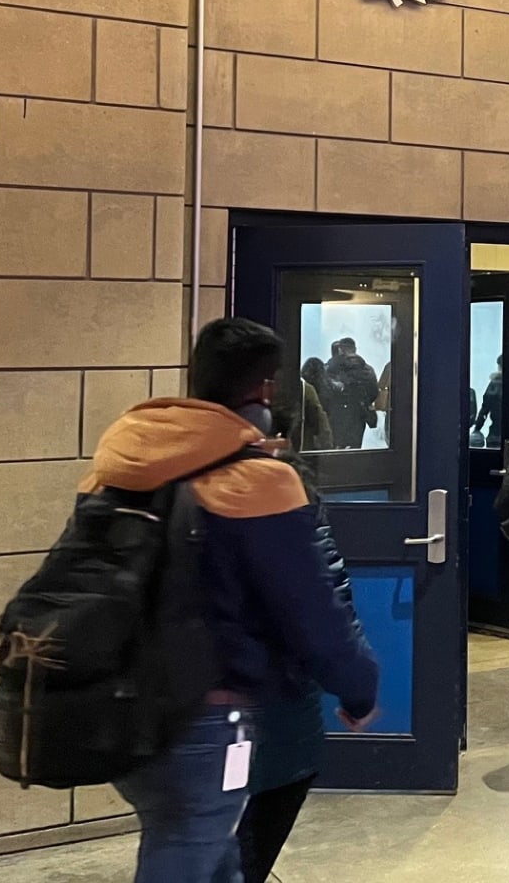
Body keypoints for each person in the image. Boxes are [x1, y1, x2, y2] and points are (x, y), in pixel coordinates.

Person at [91, 318, 377, 883]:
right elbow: (315, 612)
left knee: (202, 850)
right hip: (213, 720)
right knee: (200, 854)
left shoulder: (124, 461)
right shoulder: (259, 482)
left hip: (123, 702)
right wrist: (359, 685)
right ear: (267, 390)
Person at [236, 400, 364, 883]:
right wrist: (354, 683)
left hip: (175, 708)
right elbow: (324, 596)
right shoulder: (284, 489)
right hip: (267, 698)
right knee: (254, 823)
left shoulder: (150, 473)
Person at [323, 339, 379, 449]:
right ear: (355, 349)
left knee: (335, 451)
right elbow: (374, 392)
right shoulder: (367, 369)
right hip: (359, 416)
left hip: (336, 416)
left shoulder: (331, 368)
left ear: (340, 350)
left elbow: (325, 391)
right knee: (355, 450)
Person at [293, 358, 332, 452]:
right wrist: (327, 443)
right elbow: (320, 418)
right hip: (310, 441)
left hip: (297, 437)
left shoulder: (301, 387)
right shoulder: (325, 389)